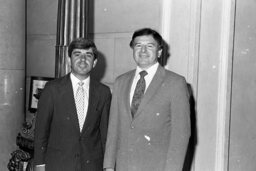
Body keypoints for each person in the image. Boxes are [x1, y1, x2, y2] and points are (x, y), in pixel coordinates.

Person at [103, 28, 191, 171]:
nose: (143, 50)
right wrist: (108, 166)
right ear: (132, 50)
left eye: (149, 46)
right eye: (138, 45)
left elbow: (181, 134)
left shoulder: (175, 82)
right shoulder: (120, 82)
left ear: (160, 52)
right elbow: (113, 128)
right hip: (124, 165)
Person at [34, 38, 112, 171]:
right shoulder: (52, 89)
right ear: (69, 60)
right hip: (58, 165)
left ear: (94, 62)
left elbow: (105, 134)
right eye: (77, 54)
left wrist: (108, 166)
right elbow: (41, 131)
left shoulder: (103, 92)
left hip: (92, 165)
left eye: (88, 55)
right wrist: (40, 164)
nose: (83, 59)